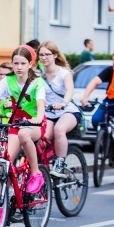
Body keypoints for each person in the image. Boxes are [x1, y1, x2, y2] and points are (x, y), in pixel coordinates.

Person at [0, 45, 47, 205]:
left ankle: (36, 174)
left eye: (23, 63)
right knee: (4, 163)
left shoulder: (37, 82)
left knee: (24, 135)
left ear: (30, 64)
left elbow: (41, 104)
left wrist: (38, 118)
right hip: (17, 122)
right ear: (12, 64)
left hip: (34, 123)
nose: (19, 67)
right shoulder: (8, 80)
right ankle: (2, 205)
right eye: (16, 63)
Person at [38, 42, 81, 177]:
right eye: (41, 55)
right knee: (41, 138)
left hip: (67, 110)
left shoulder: (64, 73)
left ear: (55, 55)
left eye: (47, 54)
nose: (44, 57)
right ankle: (44, 168)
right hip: (48, 112)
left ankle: (60, 163)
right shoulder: (39, 74)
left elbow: (69, 91)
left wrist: (63, 103)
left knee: (59, 129)